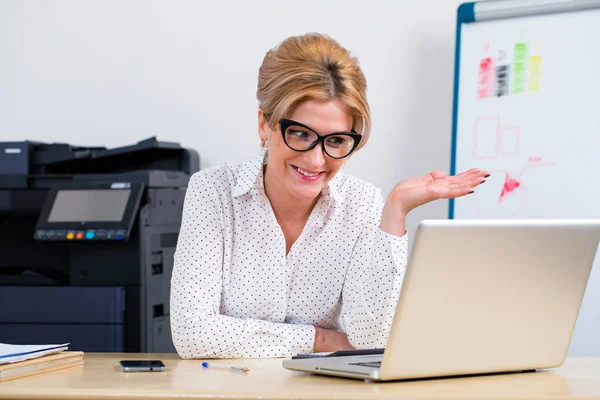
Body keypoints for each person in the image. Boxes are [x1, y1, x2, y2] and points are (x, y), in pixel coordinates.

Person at [170, 33, 488, 359]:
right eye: (300, 134)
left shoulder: (362, 204)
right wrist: (321, 340)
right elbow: (192, 333)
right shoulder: (213, 192)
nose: (315, 160)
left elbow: (372, 341)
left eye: (335, 141)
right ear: (264, 124)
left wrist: (394, 214)